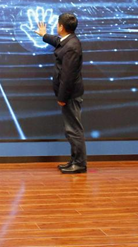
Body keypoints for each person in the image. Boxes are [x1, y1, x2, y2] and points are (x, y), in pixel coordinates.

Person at [35, 13, 87, 174]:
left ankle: (79, 164)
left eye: (57, 24)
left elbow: (67, 77)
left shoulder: (72, 46)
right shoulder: (69, 41)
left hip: (70, 95)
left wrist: (62, 98)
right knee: (71, 129)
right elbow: (58, 42)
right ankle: (74, 160)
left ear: (61, 27)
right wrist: (44, 35)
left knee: (74, 130)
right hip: (69, 94)